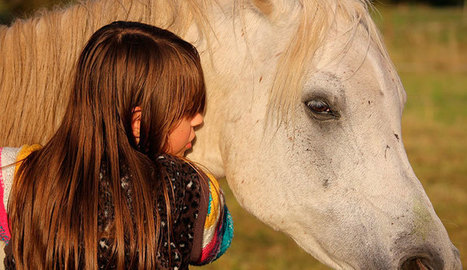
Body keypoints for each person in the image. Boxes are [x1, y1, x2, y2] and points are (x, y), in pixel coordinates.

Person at [0, 21, 232, 269]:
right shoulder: (189, 189)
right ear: (137, 122)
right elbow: (217, 242)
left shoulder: (18, 175)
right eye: (187, 110)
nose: (198, 119)